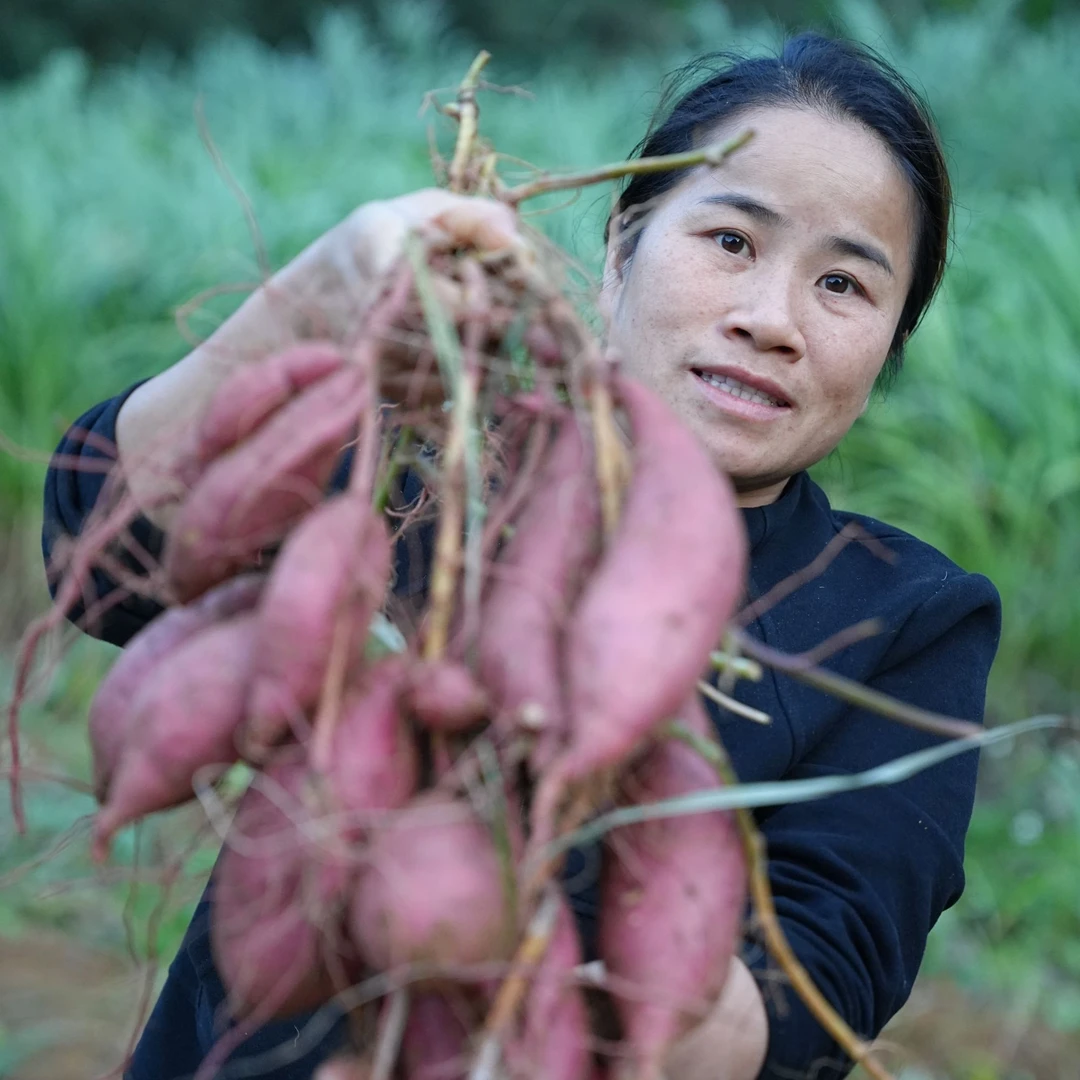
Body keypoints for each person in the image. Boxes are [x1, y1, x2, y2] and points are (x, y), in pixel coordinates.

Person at [42, 31, 1001, 1080]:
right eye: (732, 241)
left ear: (888, 348)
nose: (770, 319)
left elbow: (827, 979)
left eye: (846, 286)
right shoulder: (422, 459)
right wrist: (301, 315)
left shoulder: (908, 617)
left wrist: (607, 1006)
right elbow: (100, 553)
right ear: (620, 250)